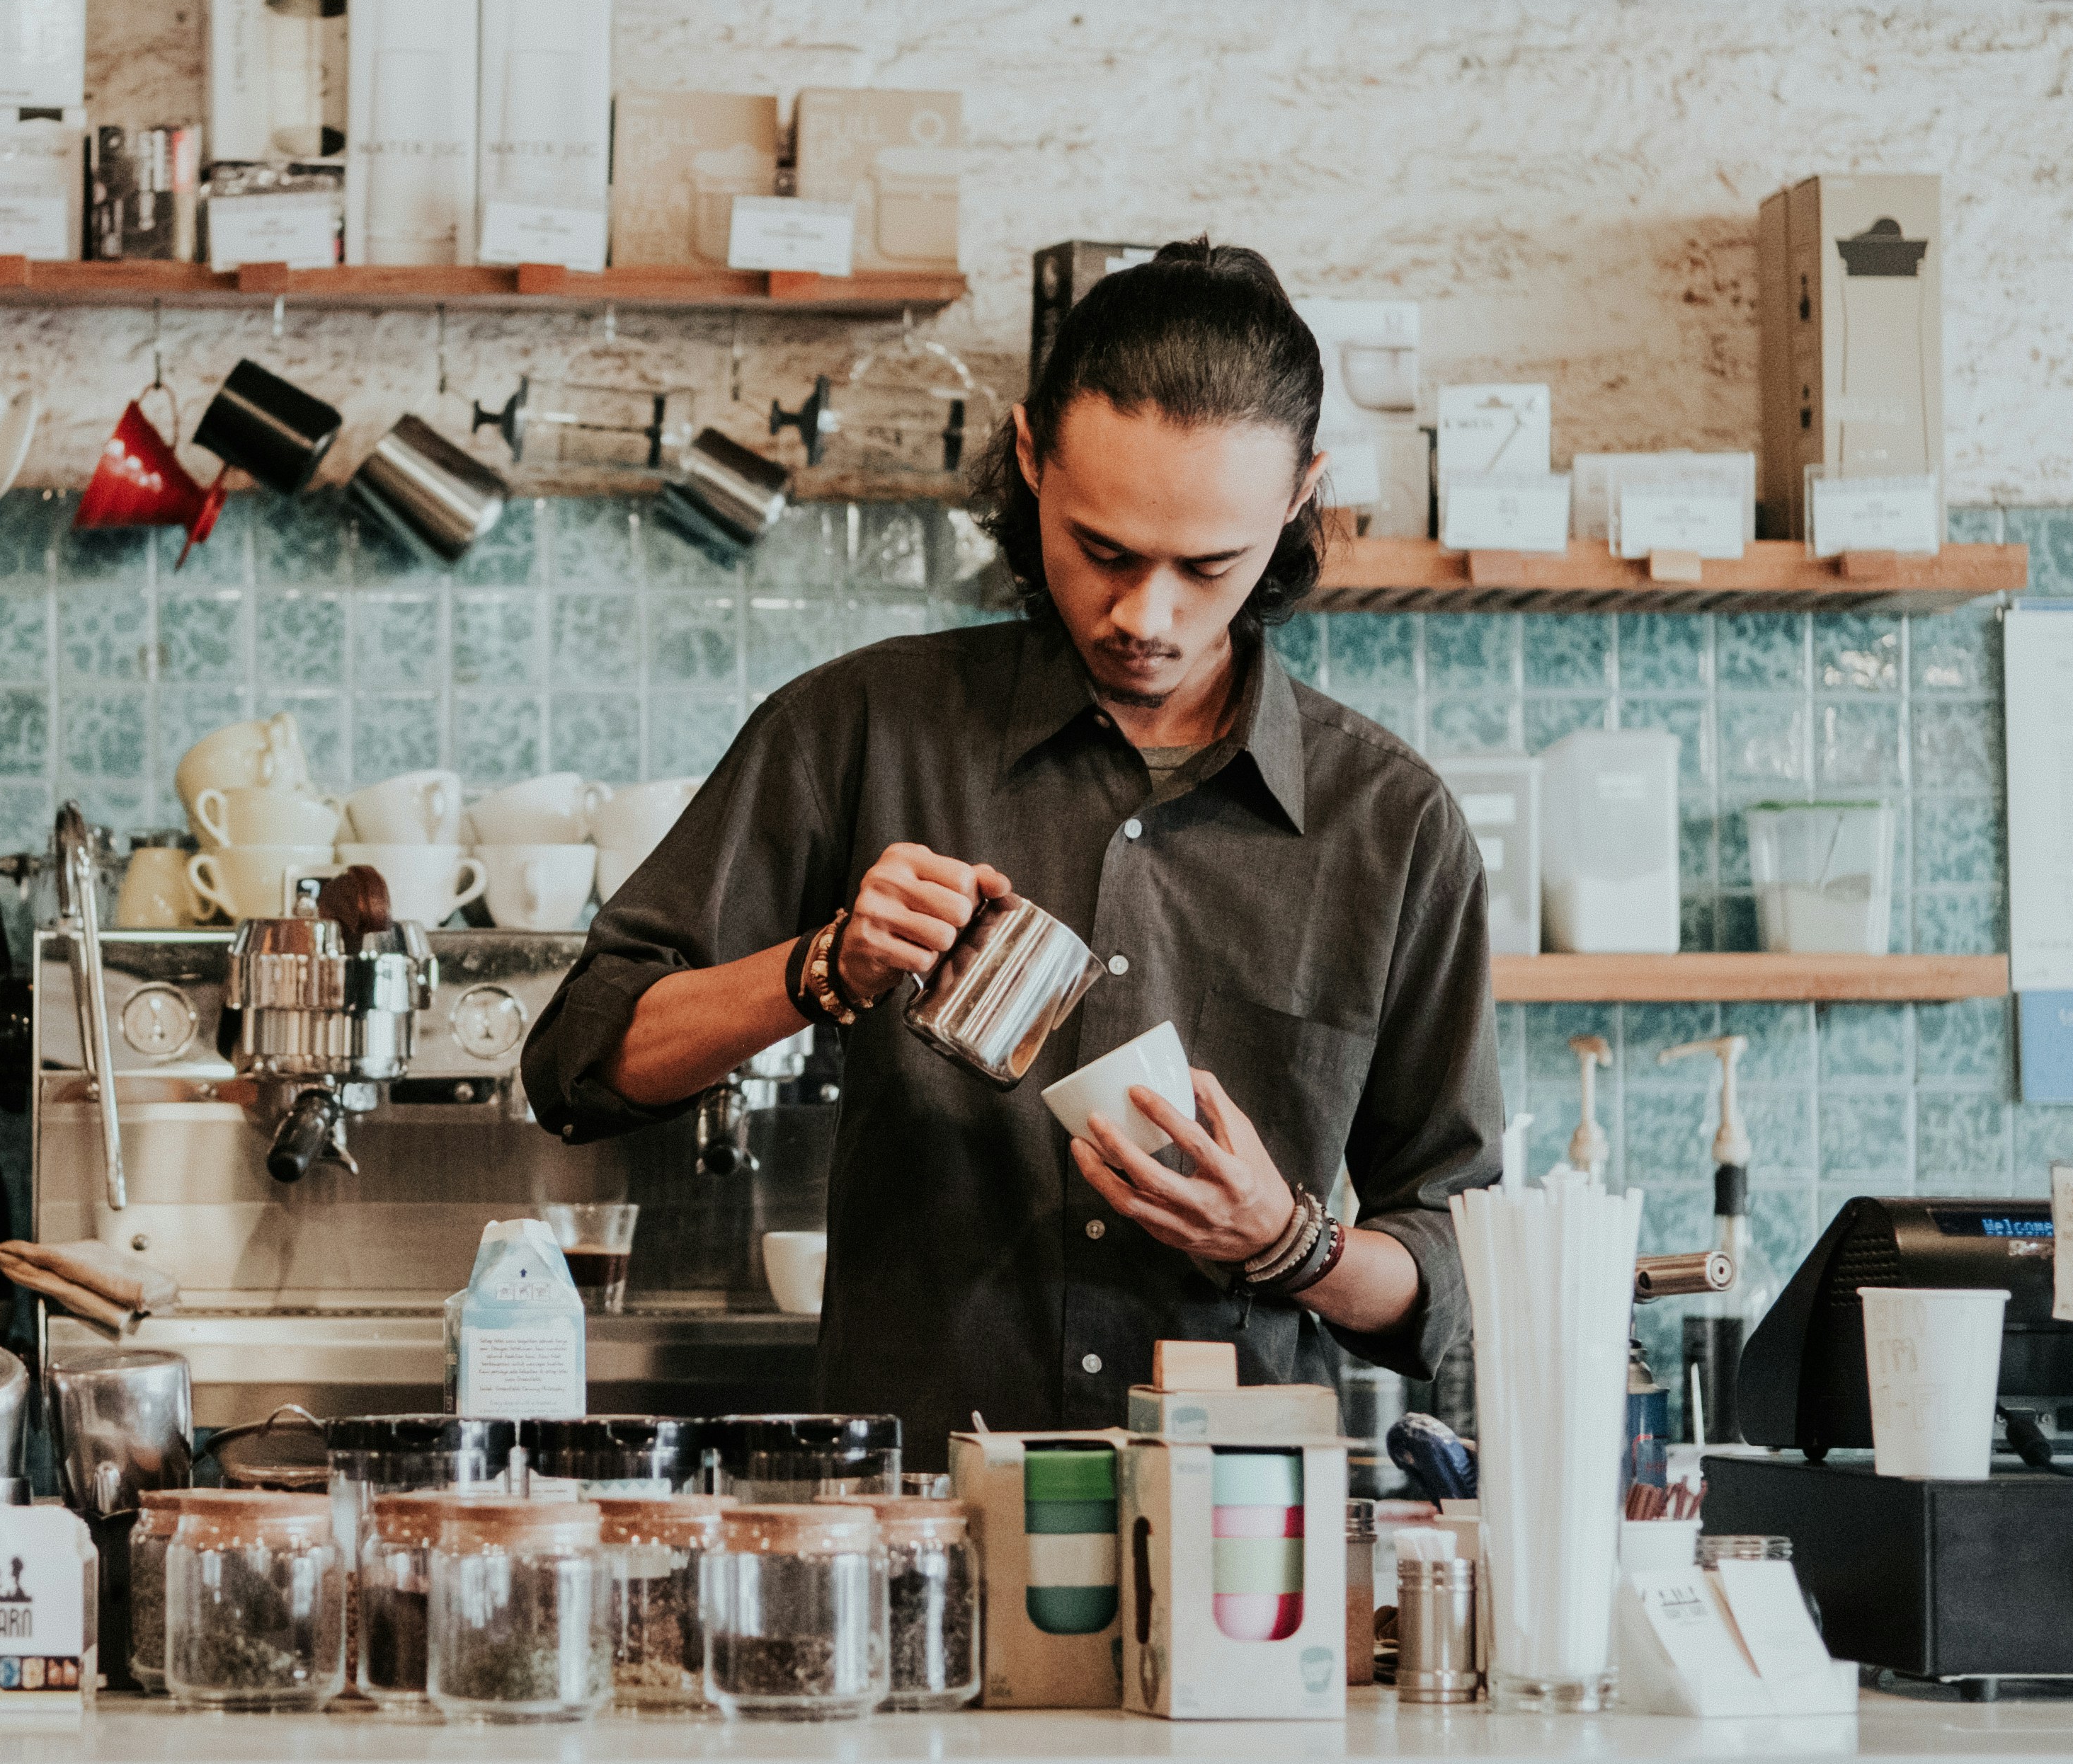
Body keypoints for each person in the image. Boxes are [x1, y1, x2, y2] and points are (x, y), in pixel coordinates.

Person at [520, 241, 1503, 1445]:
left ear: (1300, 495)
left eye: (1208, 567)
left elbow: (1456, 1266)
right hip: (919, 1517)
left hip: (1233, 1544)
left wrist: (1287, 1243)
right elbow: (579, 1063)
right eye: (1102, 550)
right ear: (1031, 458)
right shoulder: (861, 728)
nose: (1147, 617)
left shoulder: (1394, 827)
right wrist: (821, 966)